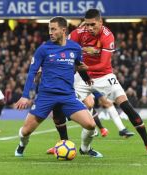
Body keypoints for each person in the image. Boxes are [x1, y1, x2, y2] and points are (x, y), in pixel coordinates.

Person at [67, 9, 147, 156]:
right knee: (60, 103)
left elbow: (103, 64)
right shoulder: (78, 33)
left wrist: (86, 65)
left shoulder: (107, 36)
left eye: (93, 25)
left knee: (126, 105)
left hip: (104, 76)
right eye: (87, 24)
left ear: (100, 22)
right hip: (81, 76)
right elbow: (65, 49)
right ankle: (66, 143)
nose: (90, 28)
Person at [14, 16, 103, 158]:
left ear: (63, 30)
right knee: (25, 131)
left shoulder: (75, 48)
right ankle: (21, 146)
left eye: (53, 29)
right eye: (49, 29)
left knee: (91, 125)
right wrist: (25, 96)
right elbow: (32, 72)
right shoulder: (43, 49)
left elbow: (78, 65)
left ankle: (85, 149)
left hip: (67, 96)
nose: (50, 32)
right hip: (46, 97)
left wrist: (87, 78)